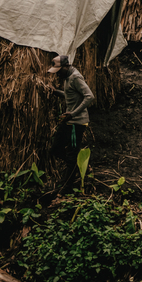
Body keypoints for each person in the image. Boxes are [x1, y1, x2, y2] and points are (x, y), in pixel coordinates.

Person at [47, 54, 95, 190]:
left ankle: (67, 187)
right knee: (56, 149)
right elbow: (70, 94)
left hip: (77, 123)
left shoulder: (75, 77)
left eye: (58, 71)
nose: (57, 75)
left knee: (71, 155)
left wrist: (73, 113)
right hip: (69, 120)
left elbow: (89, 96)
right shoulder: (67, 77)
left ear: (66, 66)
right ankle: (80, 164)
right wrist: (57, 92)